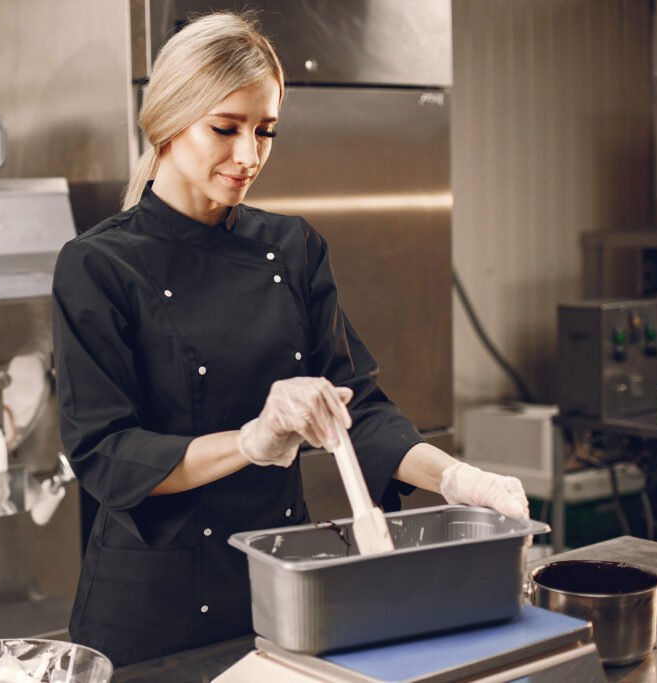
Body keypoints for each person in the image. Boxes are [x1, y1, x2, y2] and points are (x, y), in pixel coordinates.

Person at [50, 11, 528, 668]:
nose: (248, 156)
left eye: (265, 131)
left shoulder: (292, 248)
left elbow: (356, 407)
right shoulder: (99, 265)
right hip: (149, 616)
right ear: (166, 120)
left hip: (279, 588)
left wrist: (457, 479)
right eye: (226, 128)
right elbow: (106, 453)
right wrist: (252, 441)